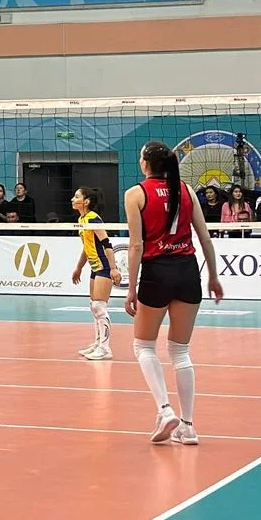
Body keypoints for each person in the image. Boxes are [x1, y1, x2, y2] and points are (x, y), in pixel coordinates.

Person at [124, 141, 225, 446]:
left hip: (157, 272)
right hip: (187, 272)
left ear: (145, 163)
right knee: (180, 351)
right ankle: (188, 426)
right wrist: (213, 276)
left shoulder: (135, 194)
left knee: (143, 345)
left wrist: (131, 287)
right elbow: (205, 238)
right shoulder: (186, 190)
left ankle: (165, 410)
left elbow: (136, 246)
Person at [69, 187, 118, 361]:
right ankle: (98, 343)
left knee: (99, 306)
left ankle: (105, 348)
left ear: (86, 201)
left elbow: (107, 244)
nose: (72, 199)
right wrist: (79, 268)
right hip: (94, 266)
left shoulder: (93, 218)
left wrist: (113, 268)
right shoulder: (82, 219)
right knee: (93, 306)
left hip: (104, 266)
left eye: (76, 197)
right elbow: (87, 247)